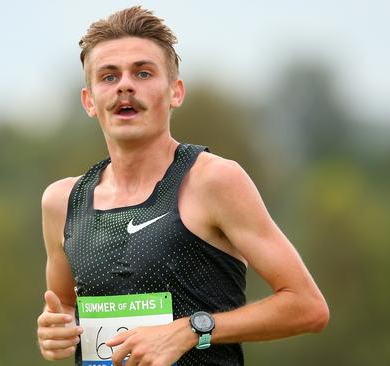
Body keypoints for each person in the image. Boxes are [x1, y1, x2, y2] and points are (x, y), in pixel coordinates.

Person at [36, 6, 329, 366]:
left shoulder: (213, 180)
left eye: (143, 73)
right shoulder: (62, 202)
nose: (125, 85)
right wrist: (57, 331)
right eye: (109, 77)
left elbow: (307, 306)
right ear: (89, 101)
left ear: (175, 92)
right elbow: (65, 307)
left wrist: (192, 330)